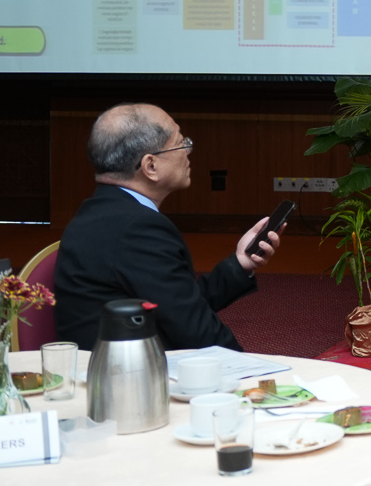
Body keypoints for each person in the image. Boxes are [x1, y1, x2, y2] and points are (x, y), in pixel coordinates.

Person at [54, 103, 283, 351]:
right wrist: (252, 370)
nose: (188, 151)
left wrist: (240, 263)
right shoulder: (137, 228)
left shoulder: (102, 211)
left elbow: (178, 304)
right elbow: (195, 330)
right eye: (180, 143)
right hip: (127, 370)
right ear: (151, 166)